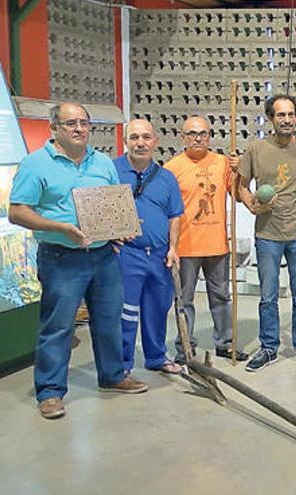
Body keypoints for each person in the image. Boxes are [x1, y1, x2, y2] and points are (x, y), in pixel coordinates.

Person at [9, 102, 148, 419]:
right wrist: (59, 228)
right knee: (58, 327)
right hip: (61, 258)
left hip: (103, 256)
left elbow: (113, 204)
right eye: (71, 123)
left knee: (108, 321)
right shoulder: (35, 165)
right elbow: (17, 211)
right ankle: (50, 392)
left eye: (84, 123)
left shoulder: (101, 162)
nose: (79, 129)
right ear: (54, 127)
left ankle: (112, 376)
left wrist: (121, 229)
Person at [237, 95, 296, 372]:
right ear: (271, 118)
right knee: (268, 295)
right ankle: (268, 347)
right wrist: (253, 205)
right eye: (280, 115)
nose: (286, 120)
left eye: (290, 114)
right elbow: (240, 186)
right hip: (267, 234)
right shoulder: (256, 149)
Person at [165, 116, 248, 364]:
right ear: (183, 137)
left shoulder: (223, 163)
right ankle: (185, 348)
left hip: (217, 245)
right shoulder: (172, 168)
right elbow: (168, 210)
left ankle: (225, 343)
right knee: (184, 300)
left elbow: (238, 194)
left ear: (210, 136)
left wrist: (240, 170)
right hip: (186, 246)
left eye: (203, 133)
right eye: (192, 134)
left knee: (221, 298)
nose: (198, 138)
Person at [113, 119, 184, 375]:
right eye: (134, 138)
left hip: (159, 255)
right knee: (126, 312)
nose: (140, 143)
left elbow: (175, 214)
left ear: (155, 141)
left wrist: (173, 247)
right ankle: (122, 365)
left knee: (157, 308)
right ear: (125, 142)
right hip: (126, 255)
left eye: (145, 137)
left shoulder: (166, 178)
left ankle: (156, 357)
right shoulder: (111, 172)